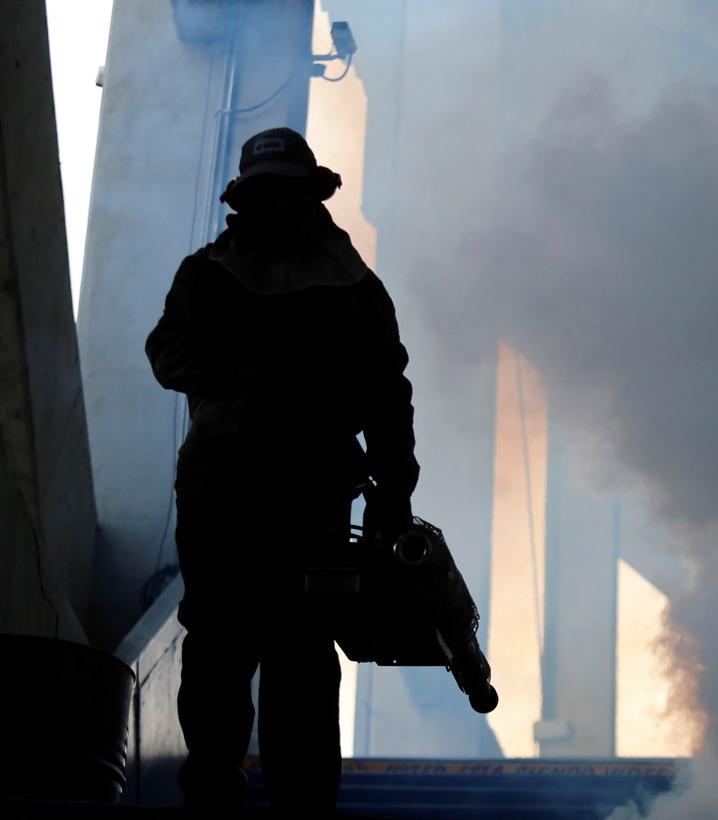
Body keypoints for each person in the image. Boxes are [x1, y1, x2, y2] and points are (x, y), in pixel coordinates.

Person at [145, 127, 419, 811]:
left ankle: (296, 800)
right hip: (229, 485)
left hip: (302, 490)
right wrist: (247, 376)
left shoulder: (353, 289)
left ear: (308, 197)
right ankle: (216, 784)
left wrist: (394, 492)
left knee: (295, 647)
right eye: (263, 196)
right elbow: (168, 353)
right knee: (222, 638)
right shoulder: (209, 274)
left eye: (283, 196)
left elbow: (388, 393)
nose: (272, 210)